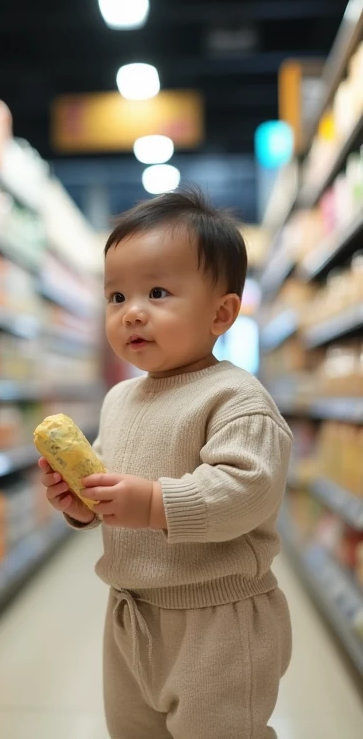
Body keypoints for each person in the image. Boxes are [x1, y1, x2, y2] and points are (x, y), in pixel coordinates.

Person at [39, 187, 293, 739]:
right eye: (115, 296)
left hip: (216, 621)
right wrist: (81, 504)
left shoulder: (234, 399)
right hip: (131, 616)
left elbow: (247, 491)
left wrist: (154, 502)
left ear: (221, 313)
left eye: (157, 292)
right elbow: (112, 485)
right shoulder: (120, 399)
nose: (132, 312)